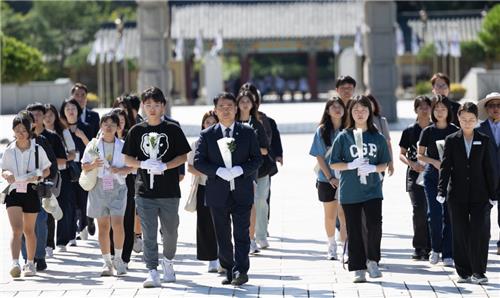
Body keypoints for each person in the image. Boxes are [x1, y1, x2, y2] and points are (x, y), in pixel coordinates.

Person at [122, 87, 191, 288]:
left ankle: (168, 261)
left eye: (156, 105)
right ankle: (152, 270)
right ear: (143, 106)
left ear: (163, 106)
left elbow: (183, 156)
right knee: (148, 232)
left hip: (169, 190)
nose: (152, 109)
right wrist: (142, 164)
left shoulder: (173, 129)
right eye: (148, 105)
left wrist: (166, 166)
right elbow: (127, 158)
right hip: (144, 191)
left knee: (170, 232)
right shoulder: (137, 130)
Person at [194, 92, 262, 286]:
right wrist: (218, 171)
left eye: (229, 107)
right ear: (215, 110)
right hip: (218, 192)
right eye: (221, 107)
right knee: (222, 234)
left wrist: (241, 169)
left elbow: (257, 159)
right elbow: (199, 161)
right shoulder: (207, 135)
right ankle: (229, 269)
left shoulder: (247, 132)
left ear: (236, 108)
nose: (226, 110)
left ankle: (241, 270)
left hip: (242, 190)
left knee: (241, 232)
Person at [330, 95, 390, 283]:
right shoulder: (343, 136)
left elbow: (384, 163)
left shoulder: (377, 136)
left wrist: (373, 168)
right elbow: (334, 163)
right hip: (350, 192)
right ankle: (358, 268)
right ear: (351, 113)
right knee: (354, 229)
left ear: (369, 112)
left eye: (363, 109)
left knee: (374, 226)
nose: (360, 113)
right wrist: (350, 165)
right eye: (355, 110)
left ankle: (372, 260)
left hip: (373, 190)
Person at [437, 102, 495, 284]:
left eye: (471, 120)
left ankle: (479, 272)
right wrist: (441, 189)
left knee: (480, 232)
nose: (467, 123)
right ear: (458, 119)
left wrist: (494, 193)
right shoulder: (452, 140)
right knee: (460, 232)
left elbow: (489, 168)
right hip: (457, 195)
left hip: (481, 195)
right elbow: (445, 167)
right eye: (464, 120)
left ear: (477, 120)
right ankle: (463, 271)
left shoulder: (484, 139)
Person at [82, 112, 132, 276]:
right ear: (101, 127)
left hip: (117, 186)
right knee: (103, 226)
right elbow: (84, 166)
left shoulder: (123, 144)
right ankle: (106, 262)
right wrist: (93, 164)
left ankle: (118, 259)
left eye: (112, 123)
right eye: (105, 123)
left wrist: (121, 169)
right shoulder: (93, 145)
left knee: (118, 223)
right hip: (99, 186)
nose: (108, 126)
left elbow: (133, 167)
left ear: (118, 127)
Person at [2, 112, 52, 277]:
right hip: (14, 191)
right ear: (13, 131)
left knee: (29, 230)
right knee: (16, 229)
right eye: (17, 130)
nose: (20, 133)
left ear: (30, 130)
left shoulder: (37, 149)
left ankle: (30, 263)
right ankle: (15, 263)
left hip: (31, 191)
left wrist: (38, 175)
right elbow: (4, 169)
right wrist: (7, 174)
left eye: (24, 129)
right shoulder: (9, 150)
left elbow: (47, 170)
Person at [20, 104, 66, 271]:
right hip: (19, 188)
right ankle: (27, 258)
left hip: (38, 188)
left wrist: (39, 174)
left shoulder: (42, 141)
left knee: (40, 222)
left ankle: (39, 256)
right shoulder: (13, 144)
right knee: (23, 225)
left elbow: (52, 167)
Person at [417, 95, 459, 266]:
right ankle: (435, 249)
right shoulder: (428, 131)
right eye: (437, 109)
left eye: (443, 109)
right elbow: (420, 155)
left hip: (451, 177)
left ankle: (448, 253)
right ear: (432, 111)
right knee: (433, 214)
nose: (440, 112)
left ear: (448, 110)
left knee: (450, 214)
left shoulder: (455, 130)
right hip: (432, 176)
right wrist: (434, 162)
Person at [309, 97, 347, 260]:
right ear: (327, 110)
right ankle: (331, 245)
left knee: (344, 215)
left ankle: (346, 248)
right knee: (330, 215)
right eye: (333, 107)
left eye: (340, 107)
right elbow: (319, 155)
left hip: (347, 179)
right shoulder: (322, 130)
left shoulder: (349, 129)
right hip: (326, 179)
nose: (337, 110)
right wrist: (330, 177)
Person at [236, 90, 270, 253]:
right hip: (231, 169)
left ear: (253, 104)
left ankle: (251, 239)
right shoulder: (231, 123)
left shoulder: (257, 124)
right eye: (241, 101)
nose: (244, 104)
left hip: (251, 170)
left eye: (247, 101)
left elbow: (265, 150)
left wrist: (250, 148)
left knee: (251, 204)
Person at [398, 96, 432, 260]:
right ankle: (419, 247)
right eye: (421, 107)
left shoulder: (436, 129)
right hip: (414, 175)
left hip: (433, 175)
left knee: (433, 211)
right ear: (415, 109)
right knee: (419, 209)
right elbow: (401, 154)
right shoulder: (409, 131)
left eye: (427, 106)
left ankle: (432, 246)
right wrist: (412, 164)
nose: (424, 109)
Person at [187, 110, 220, 272]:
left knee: (222, 221)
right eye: (207, 122)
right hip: (204, 187)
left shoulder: (225, 142)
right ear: (202, 125)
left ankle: (223, 255)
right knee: (205, 223)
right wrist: (208, 173)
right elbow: (190, 167)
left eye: (213, 122)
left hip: (222, 186)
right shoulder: (196, 143)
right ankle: (211, 258)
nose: (210, 125)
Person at [43, 104, 77, 252]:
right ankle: (48, 243)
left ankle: (62, 240)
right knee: (48, 207)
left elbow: (72, 154)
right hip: (44, 175)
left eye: (51, 114)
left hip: (62, 173)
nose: (48, 118)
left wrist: (53, 161)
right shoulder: (35, 134)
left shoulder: (63, 132)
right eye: (45, 115)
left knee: (64, 205)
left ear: (56, 116)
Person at [60, 98, 93, 244]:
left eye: (73, 108)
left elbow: (94, 149)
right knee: (70, 201)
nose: (71, 111)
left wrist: (82, 136)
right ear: (63, 112)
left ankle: (85, 224)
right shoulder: (61, 130)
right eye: (67, 109)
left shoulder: (86, 126)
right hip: (67, 170)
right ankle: (72, 235)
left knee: (83, 200)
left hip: (83, 169)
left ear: (78, 110)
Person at [107, 108, 136, 268]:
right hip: (107, 184)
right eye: (112, 122)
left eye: (120, 121)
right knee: (111, 220)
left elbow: (136, 164)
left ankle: (124, 257)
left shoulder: (130, 138)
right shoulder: (101, 141)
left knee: (126, 219)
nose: (117, 125)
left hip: (126, 183)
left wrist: (123, 170)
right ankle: (112, 254)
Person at [71, 83, 99, 238]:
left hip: (89, 161)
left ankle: (89, 219)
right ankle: (80, 224)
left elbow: (97, 140)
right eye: (77, 95)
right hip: (72, 162)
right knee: (75, 196)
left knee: (87, 193)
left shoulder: (93, 117)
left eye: (83, 95)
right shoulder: (67, 116)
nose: (80, 98)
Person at [476, 92, 500, 255]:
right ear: (486, 109)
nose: (495, 109)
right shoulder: (479, 129)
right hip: (485, 178)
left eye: (499, 105)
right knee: (483, 215)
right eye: (491, 105)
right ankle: (483, 243)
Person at [366, 94, 394, 176]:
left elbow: (388, 144)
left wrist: (391, 163)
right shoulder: (357, 122)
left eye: (370, 104)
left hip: (379, 162)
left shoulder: (382, 121)